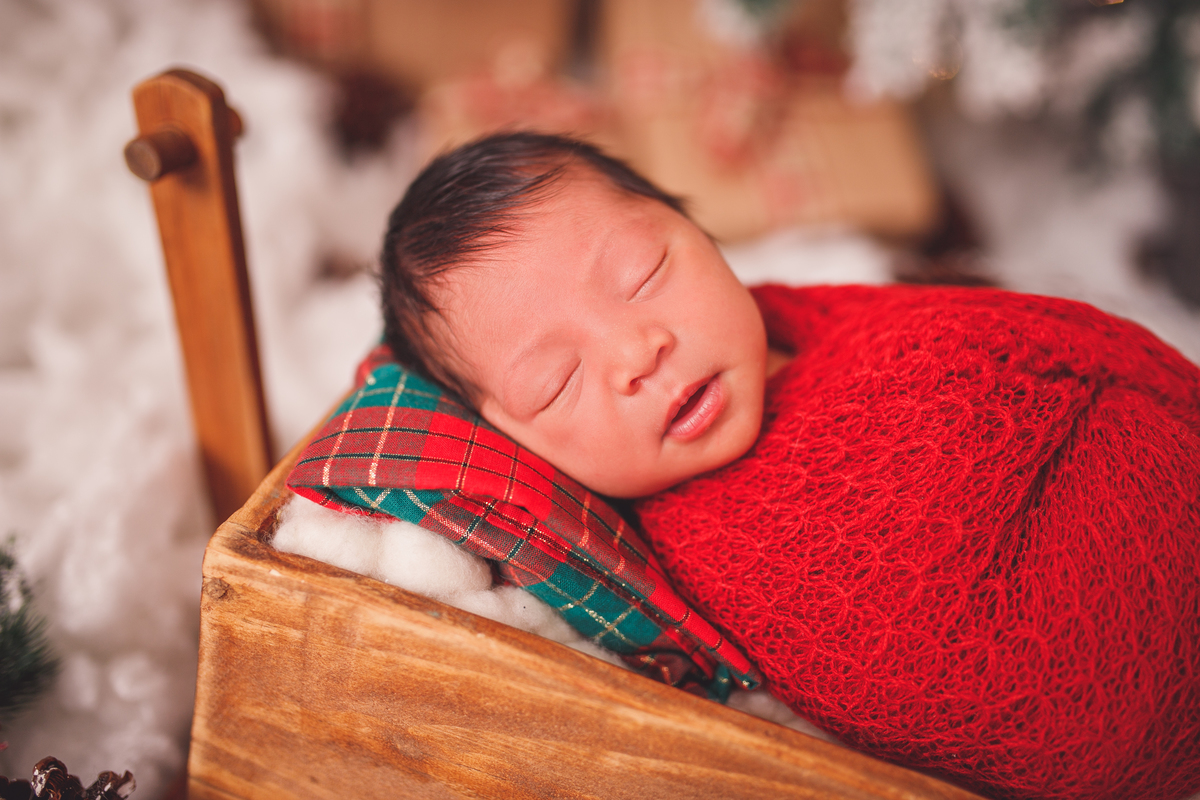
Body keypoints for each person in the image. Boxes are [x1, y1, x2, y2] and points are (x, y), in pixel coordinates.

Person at [380, 132, 1200, 800]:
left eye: (644, 274)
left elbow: (1058, 342)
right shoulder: (692, 562)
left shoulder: (826, 321)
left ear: (700, 231)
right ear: (524, 445)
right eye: (556, 382)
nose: (638, 352)